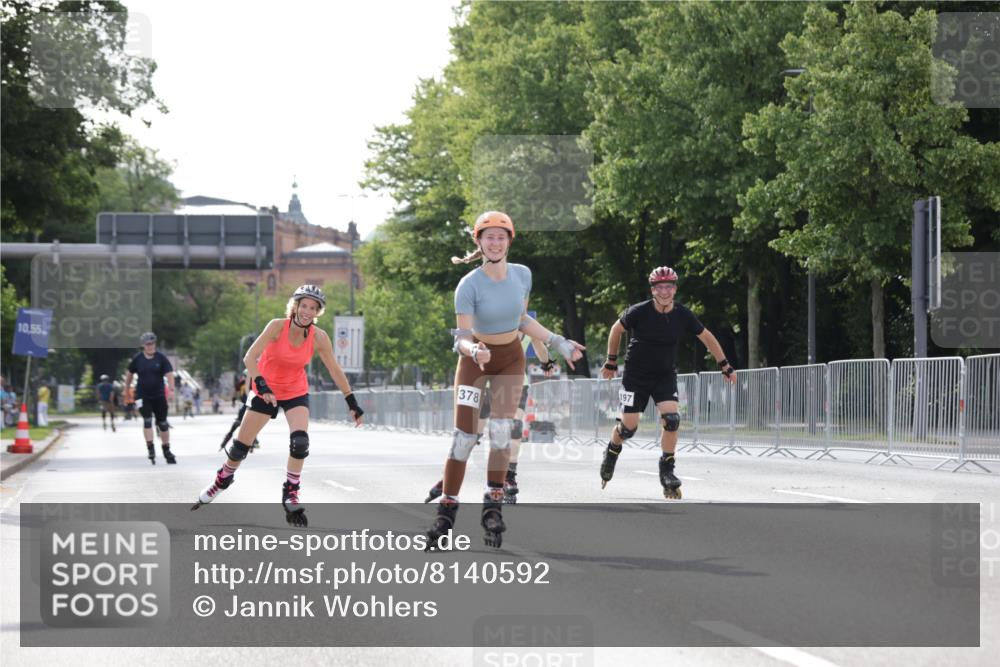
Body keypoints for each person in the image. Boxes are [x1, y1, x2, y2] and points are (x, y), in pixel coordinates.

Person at [425, 211, 584, 550]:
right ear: (478, 242)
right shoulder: (468, 285)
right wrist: (473, 351)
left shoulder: (523, 275)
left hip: (510, 358)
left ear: (509, 241)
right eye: (489, 237)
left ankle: (492, 506)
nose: (495, 243)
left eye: (501, 237)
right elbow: (460, 338)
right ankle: (446, 511)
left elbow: (522, 319)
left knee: (500, 432)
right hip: (475, 361)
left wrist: (559, 342)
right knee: (464, 439)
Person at [191, 285, 364, 527]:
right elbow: (250, 357)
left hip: (295, 391)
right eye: (304, 305)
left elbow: (334, 369)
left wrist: (351, 401)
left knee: (300, 442)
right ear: (296, 306)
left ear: (317, 312)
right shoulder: (276, 326)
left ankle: (291, 492)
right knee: (241, 447)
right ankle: (223, 479)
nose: (307, 311)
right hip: (265, 390)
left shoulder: (319, 337)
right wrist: (261, 385)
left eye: (313, 308)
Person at [599, 266, 737, 499]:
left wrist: (724, 364)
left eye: (669, 287)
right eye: (660, 287)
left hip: (664, 375)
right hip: (635, 377)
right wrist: (611, 361)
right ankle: (612, 450)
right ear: (653, 290)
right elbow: (615, 330)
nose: (665, 291)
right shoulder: (639, 311)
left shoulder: (682, 314)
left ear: (675, 289)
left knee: (672, 420)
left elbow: (706, 336)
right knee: (628, 428)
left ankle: (667, 471)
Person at [423, 333, 552, 505]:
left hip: (515, 382)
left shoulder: (525, 322)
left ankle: (510, 476)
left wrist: (547, 362)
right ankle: (449, 477)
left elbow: (539, 343)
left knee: (512, 426)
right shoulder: (489, 321)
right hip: (483, 383)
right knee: (470, 435)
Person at [125, 332, 176, 465]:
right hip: (142, 395)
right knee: (147, 420)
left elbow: (169, 374)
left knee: (163, 423)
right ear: (143, 345)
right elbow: (129, 374)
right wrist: (126, 389)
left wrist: (171, 389)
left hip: (159, 395)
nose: (150, 346)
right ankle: (150, 448)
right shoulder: (138, 359)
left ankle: (166, 449)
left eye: (152, 343)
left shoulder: (161, 358)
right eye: (148, 344)